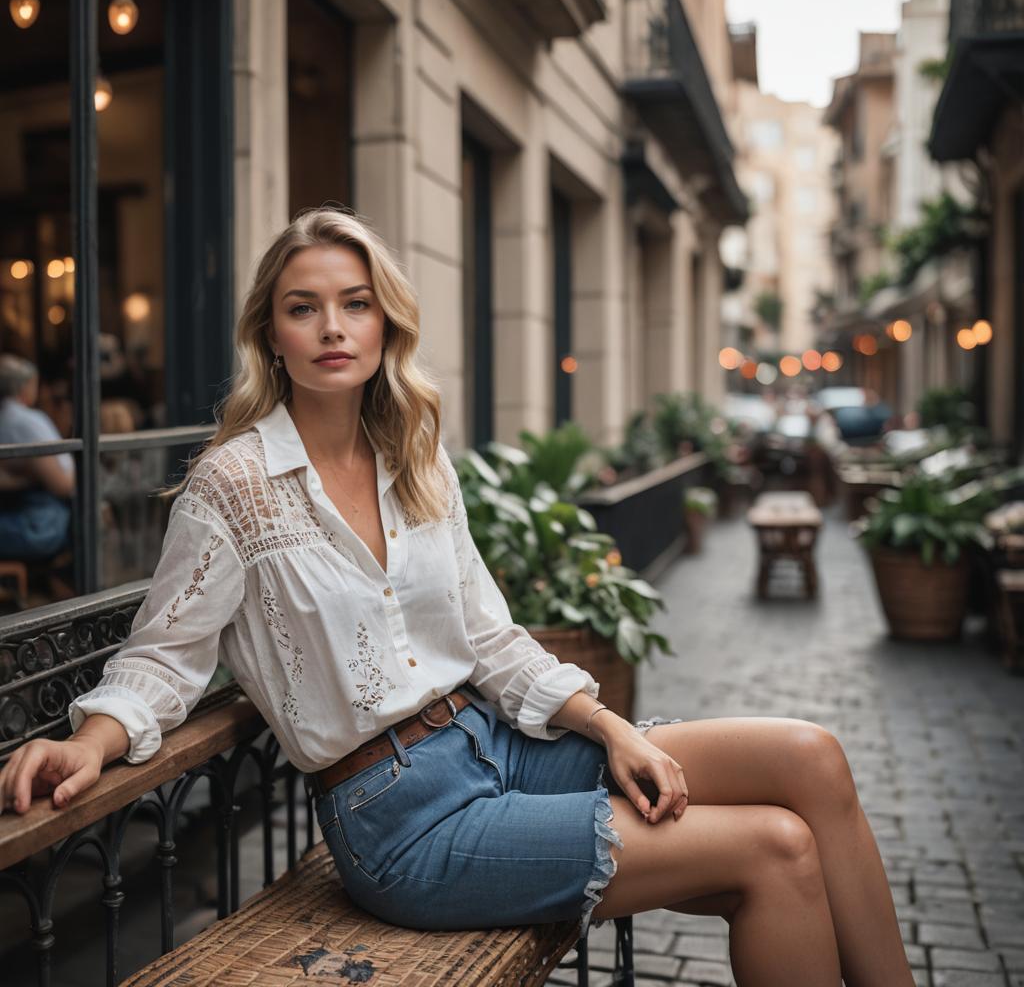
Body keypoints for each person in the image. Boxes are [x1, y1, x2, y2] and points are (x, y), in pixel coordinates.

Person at [0, 209, 913, 986]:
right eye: (303, 308)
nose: (332, 327)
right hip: (400, 819)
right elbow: (166, 653)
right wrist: (91, 738)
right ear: (271, 335)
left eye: (355, 304)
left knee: (812, 757)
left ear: (384, 325)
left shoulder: (416, 462)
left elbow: (491, 636)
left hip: (499, 745)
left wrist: (613, 729)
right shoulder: (231, 486)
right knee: (775, 850)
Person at [0, 354, 75, 559]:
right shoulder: (27, 421)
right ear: (26, 387)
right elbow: (62, 484)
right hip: (41, 525)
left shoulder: (11, 418)